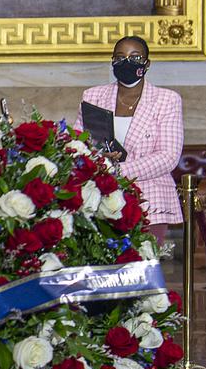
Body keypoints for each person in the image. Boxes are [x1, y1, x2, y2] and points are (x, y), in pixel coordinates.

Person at [75, 35, 184, 243]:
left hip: (149, 200)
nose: (126, 62)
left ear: (147, 63)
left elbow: (168, 156)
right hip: (100, 197)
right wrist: (98, 156)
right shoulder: (92, 96)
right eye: (120, 57)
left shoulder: (167, 100)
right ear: (112, 61)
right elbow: (78, 145)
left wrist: (117, 171)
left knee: (142, 269)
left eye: (135, 57)